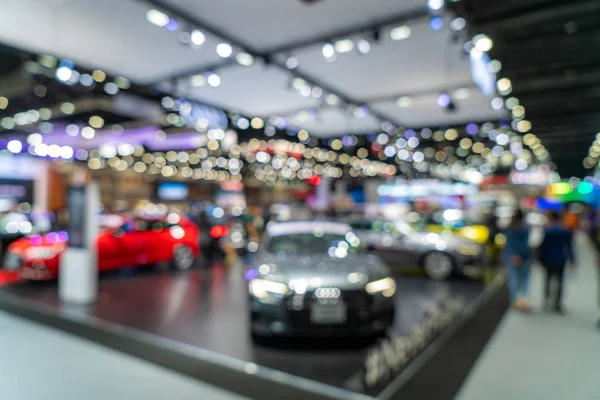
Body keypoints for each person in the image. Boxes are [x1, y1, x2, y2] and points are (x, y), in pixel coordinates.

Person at [538, 211, 575, 313]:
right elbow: (569, 247)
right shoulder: (564, 231)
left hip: (548, 259)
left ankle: (546, 300)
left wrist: (539, 259)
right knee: (560, 281)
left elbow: (542, 247)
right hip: (561, 259)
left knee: (548, 280)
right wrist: (572, 260)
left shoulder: (547, 231)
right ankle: (557, 303)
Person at [503, 210, 533, 311]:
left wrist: (513, 255)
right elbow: (526, 243)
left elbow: (508, 244)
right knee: (524, 279)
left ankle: (515, 301)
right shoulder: (526, 227)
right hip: (525, 257)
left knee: (514, 279)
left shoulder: (509, 227)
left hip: (512, 257)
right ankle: (522, 300)